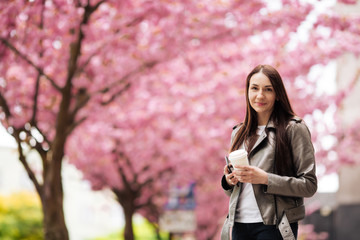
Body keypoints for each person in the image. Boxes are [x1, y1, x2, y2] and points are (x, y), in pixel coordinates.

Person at [220, 65, 317, 240]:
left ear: (278, 94)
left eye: (268, 89)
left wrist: (265, 179)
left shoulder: (293, 129)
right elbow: (234, 192)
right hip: (239, 225)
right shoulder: (238, 132)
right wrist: (229, 180)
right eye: (254, 88)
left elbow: (309, 185)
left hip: (275, 226)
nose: (260, 95)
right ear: (247, 91)